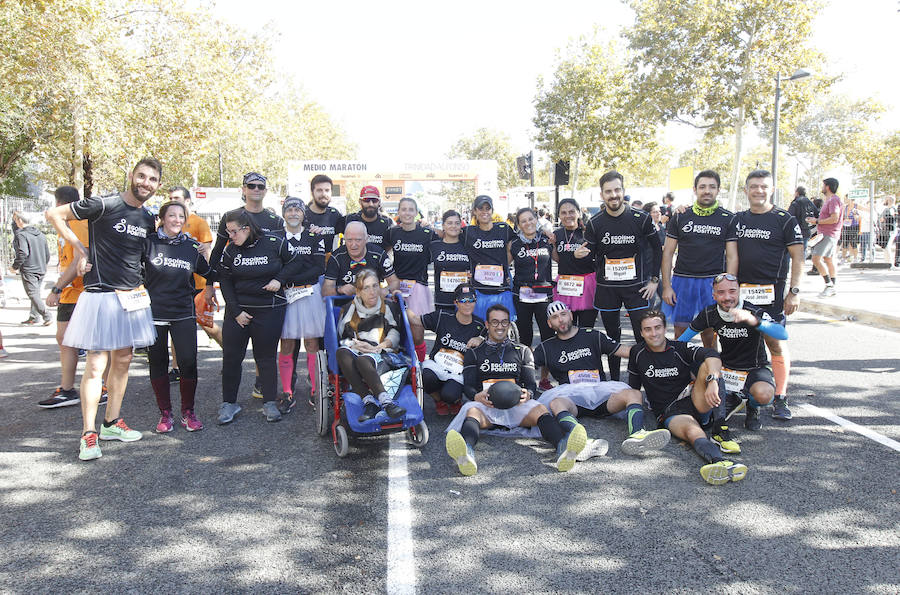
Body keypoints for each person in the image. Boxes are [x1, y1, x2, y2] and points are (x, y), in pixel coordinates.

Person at [45, 157, 160, 461]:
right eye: (141, 176)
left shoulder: (148, 219)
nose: (145, 183)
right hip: (100, 296)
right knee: (96, 366)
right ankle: (88, 432)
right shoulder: (104, 204)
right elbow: (54, 213)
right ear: (132, 177)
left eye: (152, 179)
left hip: (132, 299)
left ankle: (111, 422)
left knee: (123, 360)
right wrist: (80, 249)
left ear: (157, 185)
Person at [444, 304, 587, 475]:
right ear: (487, 325)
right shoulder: (474, 353)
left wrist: (529, 394)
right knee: (472, 411)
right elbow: (467, 385)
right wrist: (476, 395)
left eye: (504, 322)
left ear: (509, 325)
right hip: (487, 407)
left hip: (516, 406)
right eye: (495, 322)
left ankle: (563, 448)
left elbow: (531, 384)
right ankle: (466, 452)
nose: (500, 326)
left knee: (540, 409)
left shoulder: (523, 351)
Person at [535, 301, 670, 455]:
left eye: (563, 314)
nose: (560, 320)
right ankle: (579, 440)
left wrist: (656, 347)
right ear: (549, 323)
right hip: (571, 399)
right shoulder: (545, 348)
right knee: (556, 403)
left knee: (634, 394)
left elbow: (626, 351)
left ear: (571, 315)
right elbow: (526, 364)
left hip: (600, 393)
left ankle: (637, 434)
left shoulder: (592, 335)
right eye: (555, 317)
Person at [628, 310, 747, 485]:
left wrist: (713, 380)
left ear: (665, 328)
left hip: (695, 400)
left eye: (657, 328)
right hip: (671, 412)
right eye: (648, 329)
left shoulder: (679, 348)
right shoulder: (637, 353)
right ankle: (721, 463)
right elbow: (634, 388)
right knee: (693, 432)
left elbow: (712, 355)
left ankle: (720, 427)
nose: (653, 333)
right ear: (641, 332)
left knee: (709, 366)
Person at [726, 170, 803, 424]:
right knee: (746, 346)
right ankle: (749, 397)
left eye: (764, 187)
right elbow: (731, 255)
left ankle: (780, 397)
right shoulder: (737, 219)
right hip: (744, 295)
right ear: (746, 190)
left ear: (772, 189)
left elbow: (798, 258)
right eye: (754, 186)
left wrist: (794, 292)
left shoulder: (784, 219)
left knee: (775, 344)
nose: (759, 191)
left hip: (772, 297)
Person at [215, 210, 302, 424]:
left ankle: (270, 402)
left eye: (234, 231)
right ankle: (229, 403)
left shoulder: (274, 242)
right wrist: (236, 312)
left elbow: (296, 262)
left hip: (269, 309)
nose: (231, 236)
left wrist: (279, 279)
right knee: (232, 357)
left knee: (265, 357)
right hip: (238, 312)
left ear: (247, 228)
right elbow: (225, 281)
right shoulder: (230, 251)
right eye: (228, 232)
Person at [678, 273, 788, 439]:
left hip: (754, 368)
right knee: (705, 408)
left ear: (739, 292)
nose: (727, 297)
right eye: (721, 292)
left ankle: (752, 406)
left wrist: (755, 322)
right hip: (726, 368)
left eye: (732, 291)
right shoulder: (710, 313)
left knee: (764, 395)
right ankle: (733, 396)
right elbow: (682, 341)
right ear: (714, 295)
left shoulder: (752, 311)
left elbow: (782, 333)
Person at [581, 171, 662, 381]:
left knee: (642, 336)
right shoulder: (594, 223)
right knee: (612, 338)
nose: (613, 195)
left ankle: (646, 381)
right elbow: (589, 252)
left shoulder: (641, 218)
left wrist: (655, 280)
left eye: (617, 190)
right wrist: (578, 254)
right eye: (608, 191)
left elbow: (657, 248)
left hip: (637, 289)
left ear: (623, 191)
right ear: (602, 194)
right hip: (608, 290)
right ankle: (615, 382)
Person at [144, 201, 211, 432]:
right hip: (154, 312)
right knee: (158, 362)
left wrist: (208, 252)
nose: (176, 220)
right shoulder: (148, 243)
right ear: (162, 218)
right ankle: (165, 414)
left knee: (188, 362)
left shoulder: (192, 246)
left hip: (183, 311)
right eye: (171, 215)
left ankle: (188, 412)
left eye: (181, 216)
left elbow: (211, 273)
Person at [40, 186, 109, 409]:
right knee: (64, 339)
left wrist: (57, 287)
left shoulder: (79, 224)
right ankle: (67, 389)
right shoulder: (66, 224)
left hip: (84, 291)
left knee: (95, 343)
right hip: (70, 293)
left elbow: (81, 256)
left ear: (61, 205)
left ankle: (103, 386)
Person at [660, 170, 736, 347]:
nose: (707, 191)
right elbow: (668, 253)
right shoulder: (680, 216)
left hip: (712, 283)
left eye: (712, 187)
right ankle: (683, 373)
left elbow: (732, 256)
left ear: (718, 190)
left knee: (710, 335)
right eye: (702, 187)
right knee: (681, 333)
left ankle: (710, 372)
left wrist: (730, 287)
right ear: (695, 189)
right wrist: (666, 286)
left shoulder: (728, 218)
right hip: (682, 281)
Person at [335, 269, 406, 422]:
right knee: (341, 352)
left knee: (363, 360)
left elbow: (395, 334)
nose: (372, 291)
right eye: (366, 287)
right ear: (358, 292)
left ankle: (386, 402)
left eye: (375, 286)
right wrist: (355, 345)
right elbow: (341, 338)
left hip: (383, 353)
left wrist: (377, 348)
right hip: (359, 350)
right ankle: (368, 400)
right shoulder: (349, 310)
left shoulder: (387, 307)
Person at [204, 172, 284, 307]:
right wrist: (209, 284)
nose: (256, 189)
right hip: (237, 288)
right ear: (244, 189)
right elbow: (217, 251)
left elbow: (283, 256)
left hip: (267, 291)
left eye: (260, 186)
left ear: (265, 191)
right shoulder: (230, 217)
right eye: (251, 186)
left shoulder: (275, 221)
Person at [276, 197, 326, 412]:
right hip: (286, 296)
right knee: (286, 344)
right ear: (284, 214)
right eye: (289, 210)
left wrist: (291, 279)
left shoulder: (314, 237)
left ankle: (316, 389)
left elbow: (318, 268)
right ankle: (287, 391)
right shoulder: (276, 238)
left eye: (298, 210)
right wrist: (287, 282)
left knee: (312, 344)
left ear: (304, 214)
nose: (294, 213)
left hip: (309, 293)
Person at [168, 185, 222, 382]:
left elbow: (207, 252)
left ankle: (231, 353)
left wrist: (210, 283)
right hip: (176, 285)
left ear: (188, 201)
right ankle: (176, 367)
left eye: (177, 198)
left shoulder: (198, 223)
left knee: (206, 324)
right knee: (176, 324)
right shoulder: (166, 222)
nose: (174, 200)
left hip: (197, 284)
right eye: (171, 198)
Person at [409, 283, 485, 415]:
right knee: (426, 378)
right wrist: (400, 304)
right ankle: (439, 400)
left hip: (458, 371)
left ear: (475, 302)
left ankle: (453, 400)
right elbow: (415, 320)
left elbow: (495, 338)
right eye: (463, 300)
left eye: (471, 300)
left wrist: (481, 339)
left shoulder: (480, 325)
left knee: (450, 394)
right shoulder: (442, 316)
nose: (467, 304)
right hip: (437, 365)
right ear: (456, 302)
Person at [508, 207, 555, 390]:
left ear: (536, 219)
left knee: (548, 337)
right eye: (523, 221)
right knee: (524, 338)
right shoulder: (514, 244)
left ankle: (544, 378)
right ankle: (526, 377)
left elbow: (559, 258)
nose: (528, 223)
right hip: (522, 296)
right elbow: (504, 265)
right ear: (518, 225)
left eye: (530, 219)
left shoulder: (547, 239)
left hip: (544, 295)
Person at [463, 195, 517, 322]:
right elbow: (449, 236)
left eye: (487, 208)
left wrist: (505, 265)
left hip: (502, 290)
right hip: (479, 291)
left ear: (492, 211)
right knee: (481, 328)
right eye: (480, 208)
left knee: (503, 326)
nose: (484, 212)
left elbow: (516, 245)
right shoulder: (468, 232)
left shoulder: (503, 229)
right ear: (475, 211)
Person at [552, 198, 597, 329]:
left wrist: (578, 257)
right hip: (565, 285)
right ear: (559, 215)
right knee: (566, 327)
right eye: (563, 212)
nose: (568, 216)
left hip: (586, 284)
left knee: (586, 328)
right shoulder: (557, 234)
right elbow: (558, 259)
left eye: (571, 212)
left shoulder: (588, 233)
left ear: (578, 213)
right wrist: (553, 246)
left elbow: (595, 258)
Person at [322, 221, 400, 297]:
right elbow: (325, 291)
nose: (353, 245)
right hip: (344, 307)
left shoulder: (379, 254)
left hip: (373, 305)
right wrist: (340, 290)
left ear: (366, 239)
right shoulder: (336, 257)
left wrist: (385, 290)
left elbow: (394, 282)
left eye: (358, 240)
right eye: (349, 240)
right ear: (344, 239)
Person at [387, 197, 434, 315]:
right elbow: (382, 253)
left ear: (416, 213)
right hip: (397, 286)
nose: (407, 213)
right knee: (396, 326)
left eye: (411, 209)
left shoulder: (427, 233)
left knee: (416, 325)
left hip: (418, 287)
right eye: (403, 209)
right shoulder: (392, 232)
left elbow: (445, 238)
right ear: (398, 212)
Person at [11, 211, 51, 326]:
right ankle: (34, 317)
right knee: (36, 293)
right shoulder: (40, 234)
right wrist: (43, 264)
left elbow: (23, 253)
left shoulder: (21, 235)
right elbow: (47, 254)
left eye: (15, 220)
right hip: (41, 268)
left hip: (29, 269)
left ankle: (46, 315)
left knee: (32, 294)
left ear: (20, 221)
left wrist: (15, 266)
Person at [429, 210, 470, 313]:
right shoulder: (434, 245)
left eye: (457, 223)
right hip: (442, 300)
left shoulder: (468, 245)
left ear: (461, 225)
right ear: (443, 225)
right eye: (449, 223)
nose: (453, 226)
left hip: (465, 300)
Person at [807, 178, 842, 298]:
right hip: (827, 234)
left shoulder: (833, 200)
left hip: (828, 234)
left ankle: (829, 286)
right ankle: (832, 286)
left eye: (823, 185)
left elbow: (834, 218)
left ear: (827, 187)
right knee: (828, 260)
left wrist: (817, 221)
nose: (822, 188)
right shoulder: (832, 200)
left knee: (816, 259)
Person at [304, 174, 344, 255]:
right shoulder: (302, 214)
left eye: (327, 190)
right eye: (319, 190)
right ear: (312, 192)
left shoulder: (335, 214)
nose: (324, 194)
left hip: (329, 263)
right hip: (308, 263)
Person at [345, 185, 394, 251]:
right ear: (360, 201)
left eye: (374, 200)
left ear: (379, 202)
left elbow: (390, 247)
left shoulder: (387, 223)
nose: (371, 204)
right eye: (366, 200)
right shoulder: (349, 219)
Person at [788, 186, 819, 258]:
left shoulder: (795, 202)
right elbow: (817, 214)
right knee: (803, 251)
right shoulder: (810, 202)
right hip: (807, 230)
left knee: (791, 251)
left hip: (796, 230)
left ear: (797, 193)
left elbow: (790, 216)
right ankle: (801, 267)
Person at [839, 196, 859, 264]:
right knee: (845, 243)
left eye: (846, 198)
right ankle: (843, 258)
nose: (845, 200)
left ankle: (856, 258)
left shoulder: (855, 207)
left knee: (854, 243)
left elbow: (857, 219)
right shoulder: (845, 207)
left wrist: (855, 214)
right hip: (846, 226)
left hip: (854, 227)